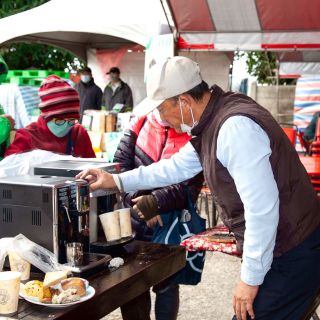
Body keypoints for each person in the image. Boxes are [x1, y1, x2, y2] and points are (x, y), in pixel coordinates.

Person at [78, 56, 320, 320]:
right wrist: (117, 180)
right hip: (286, 246)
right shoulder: (212, 121)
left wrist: (249, 280)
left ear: (183, 101)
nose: (161, 118)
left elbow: (262, 210)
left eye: (161, 109)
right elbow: (176, 167)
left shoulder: (233, 127)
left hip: (292, 250)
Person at [113, 109, 203, 320]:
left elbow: (191, 185)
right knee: (132, 288)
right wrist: (142, 201)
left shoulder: (192, 132)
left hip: (169, 224)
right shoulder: (138, 123)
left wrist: (156, 203)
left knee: (167, 284)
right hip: (131, 225)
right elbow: (118, 169)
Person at [5, 75, 95, 158]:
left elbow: (93, 168)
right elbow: (9, 166)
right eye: (60, 121)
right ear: (46, 116)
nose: (66, 126)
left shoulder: (79, 133)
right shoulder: (27, 137)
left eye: (71, 120)